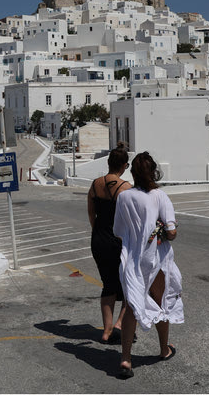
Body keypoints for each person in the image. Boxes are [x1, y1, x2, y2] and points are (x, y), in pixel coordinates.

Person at [112, 151, 183, 379]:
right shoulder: (159, 196)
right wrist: (164, 230)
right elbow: (171, 232)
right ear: (153, 172)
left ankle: (125, 359)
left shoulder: (124, 197)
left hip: (132, 258)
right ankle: (163, 349)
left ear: (132, 172)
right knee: (160, 301)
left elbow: (118, 231)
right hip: (156, 258)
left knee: (132, 305)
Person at [87, 142, 132, 343]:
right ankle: (120, 324)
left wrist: (98, 230)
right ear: (124, 165)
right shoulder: (125, 188)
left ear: (108, 163)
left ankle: (106, 331)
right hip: (118, 241)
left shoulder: (95, 184)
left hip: (98, 239)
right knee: (129, 285)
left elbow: (91, 213)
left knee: (108, 285)